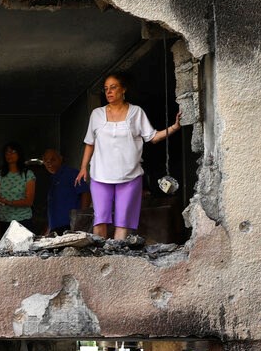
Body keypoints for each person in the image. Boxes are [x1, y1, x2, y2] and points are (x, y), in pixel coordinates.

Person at [75, 72, 182, 240]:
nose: (108, 92)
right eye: (106, 89)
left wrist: (174, 127)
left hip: (130, 176)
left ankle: (117, 258)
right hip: (100, 175)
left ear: (123, 89)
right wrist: (83, 167)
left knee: (122, 223)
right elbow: (90, 142)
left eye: (113, 87)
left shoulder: (136, 112)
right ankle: (100, 259)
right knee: (100, 220)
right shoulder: (97, 114)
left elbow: (152, 137)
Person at [42, 148, 91, 234]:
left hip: (71, 226)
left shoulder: (72, 174)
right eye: (46, 160)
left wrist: (82, 218)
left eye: (53, 159)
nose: (49, 163)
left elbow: (85, 193)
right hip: (55, 228)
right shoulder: (52, 178)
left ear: (60, 158)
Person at [0, 142, 36, 233]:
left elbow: (29, 201)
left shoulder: (27, 174)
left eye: (13, 152)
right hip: (4, 219)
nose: (9, 155)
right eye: (7, 152)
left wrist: (9, 202)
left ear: (19, 154)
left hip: (23, 220)